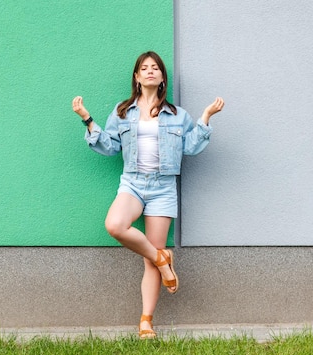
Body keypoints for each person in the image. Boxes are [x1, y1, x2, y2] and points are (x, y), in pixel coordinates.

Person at [71, 51, 224, 339]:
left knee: (148, 262)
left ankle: (146, 322)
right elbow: (109, 146)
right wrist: (87, 119)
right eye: (145, 68)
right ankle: (162, 258)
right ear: (137, 77)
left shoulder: (178, 116)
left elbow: (190, 147)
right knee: (115, 225)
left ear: (162, 77)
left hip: (163, 187)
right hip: (133, 183)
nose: (151, 71)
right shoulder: (122, 111)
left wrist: (205, 118)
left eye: (156, 68)